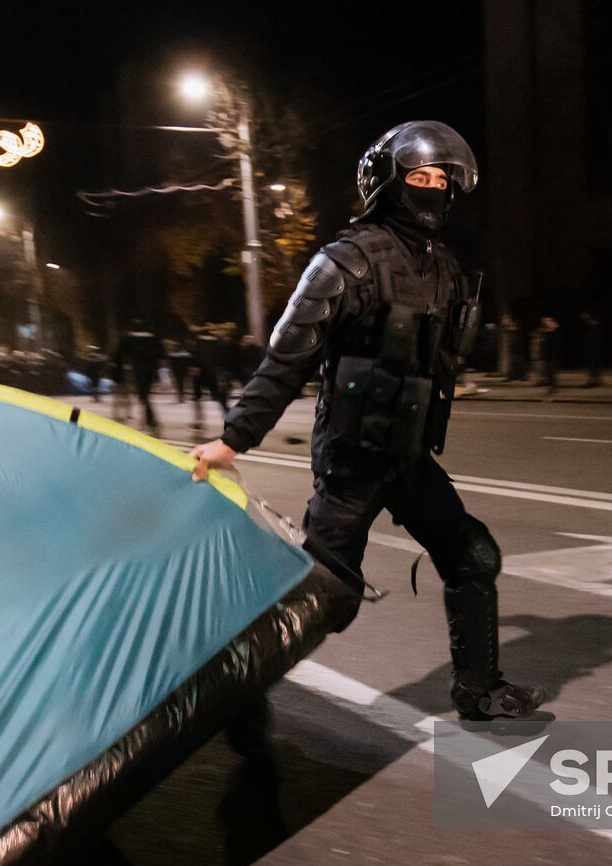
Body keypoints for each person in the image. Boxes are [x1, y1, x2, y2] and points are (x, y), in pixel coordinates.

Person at [191, 121, 543, 721]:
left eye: (442, 178)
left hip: (409, 460)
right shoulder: (346, 262)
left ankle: (478, 689)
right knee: (330, 597)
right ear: (389, 182)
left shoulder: (447, 271)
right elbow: (287, 359)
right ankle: (221, 690)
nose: (433, 189)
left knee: (473, 556)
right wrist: (233, 439)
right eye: (420, 176)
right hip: (352, 462)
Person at [113, 320, 163, 435]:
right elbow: (160, 351)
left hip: (139, 367)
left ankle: (151, 420)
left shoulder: (131, 336)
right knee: (145, 394)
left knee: (143, 395)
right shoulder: (153, 334)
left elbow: (120, 351)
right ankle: (149, 419)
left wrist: (117, 365)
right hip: (151, 367)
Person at [579, 311, 603, 387]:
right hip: (591, 349)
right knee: (592, 366)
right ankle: (596, 380)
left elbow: (596, 340)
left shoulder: (595, 327)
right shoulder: (590, 328)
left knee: (593, 366)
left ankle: (594, 381)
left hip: (594, 350)